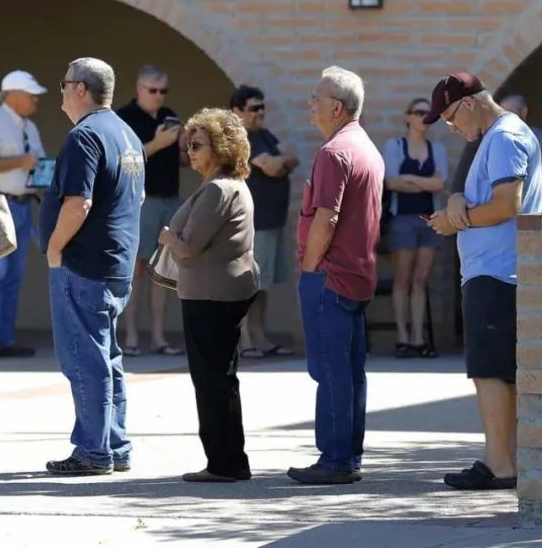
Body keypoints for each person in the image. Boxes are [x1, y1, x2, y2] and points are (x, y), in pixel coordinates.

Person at [422, 72, 542, 491]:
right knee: (497, 371)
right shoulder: (491, 137)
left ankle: (500, 464)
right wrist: (458, 203)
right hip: (494, 270)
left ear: (469, 103)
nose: (452, 128)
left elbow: (507, 203)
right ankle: (504, 459)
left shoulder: (505, 136)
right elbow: (478, 195)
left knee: (490, 371)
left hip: (497, 271)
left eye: (452, 118)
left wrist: (459, 221)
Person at [40, 57, 145, 475]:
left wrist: (54, 248)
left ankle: (92, 450)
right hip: (115, 263)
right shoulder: (127, 134)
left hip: (83, 264)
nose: (61, 91)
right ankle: (114, 444)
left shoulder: (84, 137)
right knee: (107, 357)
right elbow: (133, 199)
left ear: (81, 88)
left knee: (85, 359)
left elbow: (78, 203)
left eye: (64, 83)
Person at [287, 66, 384, 485]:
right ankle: (347, 456)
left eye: (316, 98)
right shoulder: (366, 148)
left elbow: (327, 217)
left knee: (330, 371)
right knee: (348, 371)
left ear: (337, 107)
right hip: (357, 276)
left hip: (331, 276)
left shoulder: (334, 152)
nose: (311, 105)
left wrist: (310, 268)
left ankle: (336, 460)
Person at [160, 108, 260, 482]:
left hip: (211, 295)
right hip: (219, 291)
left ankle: (225, 463)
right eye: (188, 144)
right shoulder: (227, 184)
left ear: (220, 147)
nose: (190, 151)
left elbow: (187, 248)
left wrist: (167, 237)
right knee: (220, 378)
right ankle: (229, 461)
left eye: (198, 145)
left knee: (213, 380)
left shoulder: (219, 188)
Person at [0, 71, 48, 358]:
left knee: (14, 275)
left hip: (23, 204)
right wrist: (22, 161)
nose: (35, 99)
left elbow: (37, 163)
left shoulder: (30, 127)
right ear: (12, 94)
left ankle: (5, 337)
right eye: (30, 95)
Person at [115, 65, 184, 356]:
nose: (159, 96)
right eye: (153, 90)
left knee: (163, 270)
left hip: (170, 199)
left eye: (163, 90)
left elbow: (179, 161)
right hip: (140, 201)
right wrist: (158, 143)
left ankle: (158, 336)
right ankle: (130, 335)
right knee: (136, 269)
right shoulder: (123, 118)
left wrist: (183, 146)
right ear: (139, 89)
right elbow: (123, 161)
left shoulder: (169, 115)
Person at [230, 84, 297, 359]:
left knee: (262, 284)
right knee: (247, 285)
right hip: (253, 224)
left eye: (262, 107)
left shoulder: (264, 135)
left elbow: (291, 159)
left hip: (272, 221)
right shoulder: (242, 139)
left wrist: (280, 162)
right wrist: (278, 163)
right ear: (237, 111)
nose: (260, 113)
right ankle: (243, 339)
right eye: (254, 108)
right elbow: (271, 166)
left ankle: (260, 336)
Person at [382, 97, 447, 359]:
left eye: (429, 113)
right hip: (402, 219)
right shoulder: (394, 146)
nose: (424, 118)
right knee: (402, 279)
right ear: (407, 117)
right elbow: (391, 182)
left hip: (428, 219)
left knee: (420, 280)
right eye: (419, 113)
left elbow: (440, 184)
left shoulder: (437, 148)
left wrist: (410, 178)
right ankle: (402, 336)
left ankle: (419, 337)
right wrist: (422, 182)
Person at [499, 95, 542, 211]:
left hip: (539, 215)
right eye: (501, 114)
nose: (505, 118)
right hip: (504, 217)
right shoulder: (496, 142)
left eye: (510, 113)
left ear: (524, 112)